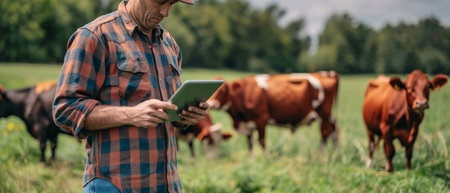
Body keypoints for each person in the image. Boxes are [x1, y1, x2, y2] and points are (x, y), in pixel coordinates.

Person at [52, 0, 208, 192]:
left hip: (167, 184)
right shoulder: (95, 36)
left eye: (172, 3)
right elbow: (65, 110)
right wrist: (131, 114)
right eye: (160, 2)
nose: (165, 12)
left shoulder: (169, 43)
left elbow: (168, 111)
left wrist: (185, 117)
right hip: (113, 185)